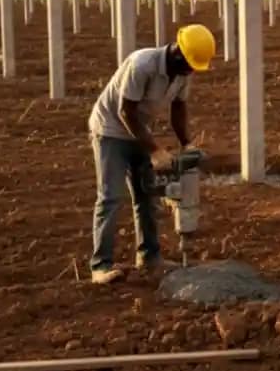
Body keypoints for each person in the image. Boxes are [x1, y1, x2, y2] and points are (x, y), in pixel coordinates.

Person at [86, 24, 216, 284]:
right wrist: (155, 151)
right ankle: (100, 266)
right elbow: (126, 112)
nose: (191, 71)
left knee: (146, 196)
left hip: (139, 130)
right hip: (111, 130)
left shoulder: (182, 73)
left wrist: (187, 144)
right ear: (177, 52)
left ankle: (149, 256)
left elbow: (178, 109)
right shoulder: (141, 65)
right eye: (189, 64)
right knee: (110, 197)